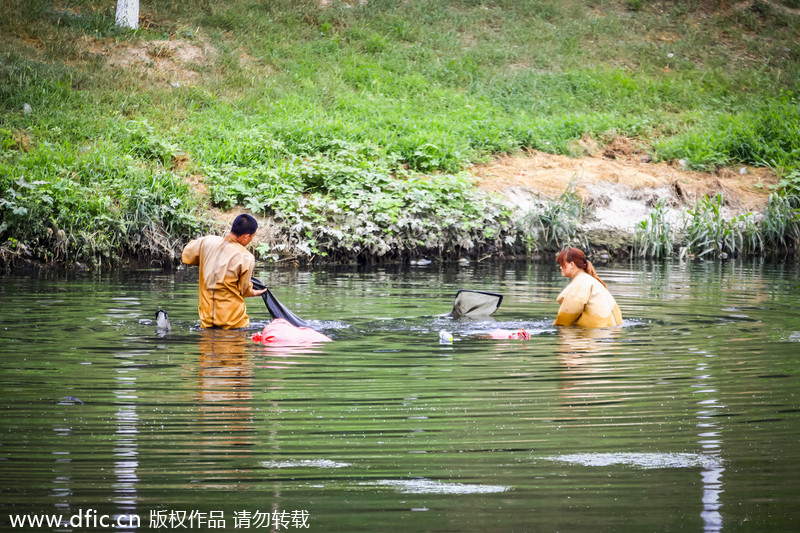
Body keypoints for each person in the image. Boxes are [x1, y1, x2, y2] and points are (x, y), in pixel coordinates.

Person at [181, 214, 267, 329]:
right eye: (252, 237)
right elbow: (244, 290)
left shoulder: (207, 241)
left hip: (207, 321)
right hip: (233, 322)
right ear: (246, 236)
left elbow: (187, 255)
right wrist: (253, 292)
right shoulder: (246, 257)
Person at [554, 247, 622, 328]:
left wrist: (558, 328)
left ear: (572, 264)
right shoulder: (592, 280)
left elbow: (566, 318)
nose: (560, 267)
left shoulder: (580, 282)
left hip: (595, 335)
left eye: (562, 264)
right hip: (610, 334)